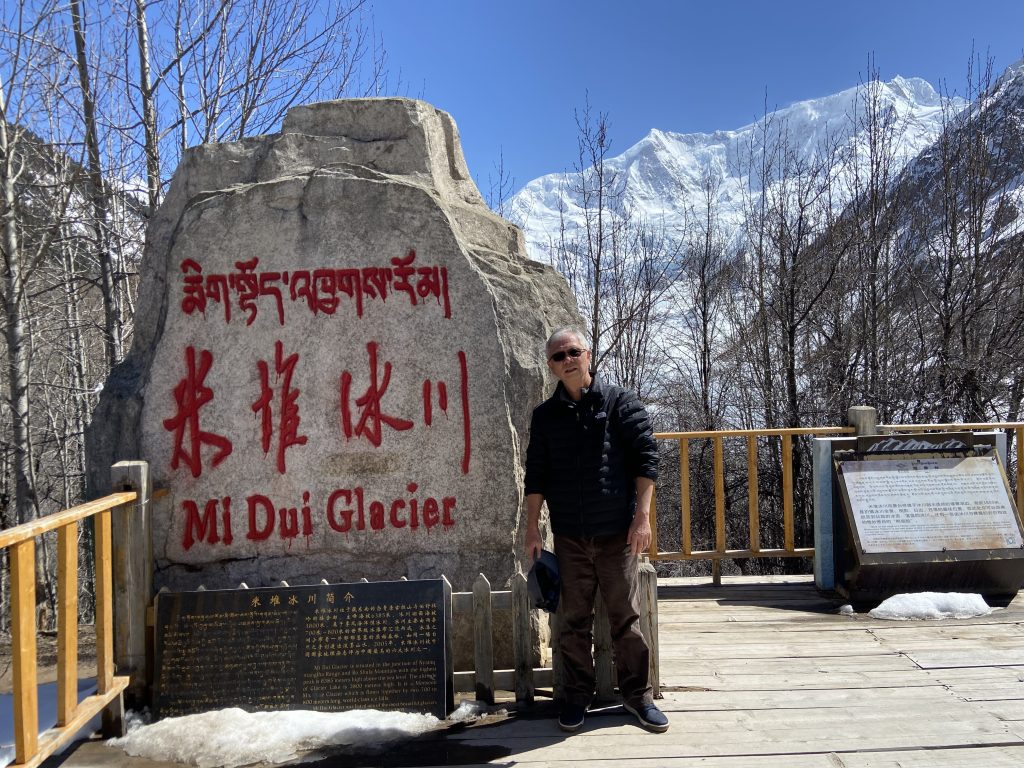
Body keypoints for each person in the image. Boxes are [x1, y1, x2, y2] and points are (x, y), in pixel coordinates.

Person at [523, 327, 669, 734]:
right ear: (551, 367)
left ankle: (638, 696)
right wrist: (532, 528)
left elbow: (646, 458)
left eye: (573, 352)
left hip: (617, 534)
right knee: (572, 623)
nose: (567, 360)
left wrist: (642, 517)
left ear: (588, 354)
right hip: (569, 536)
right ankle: (576, 697)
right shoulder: (544, 417)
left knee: (626, 619)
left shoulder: (620, 402)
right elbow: (536, 474)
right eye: (558, 356)